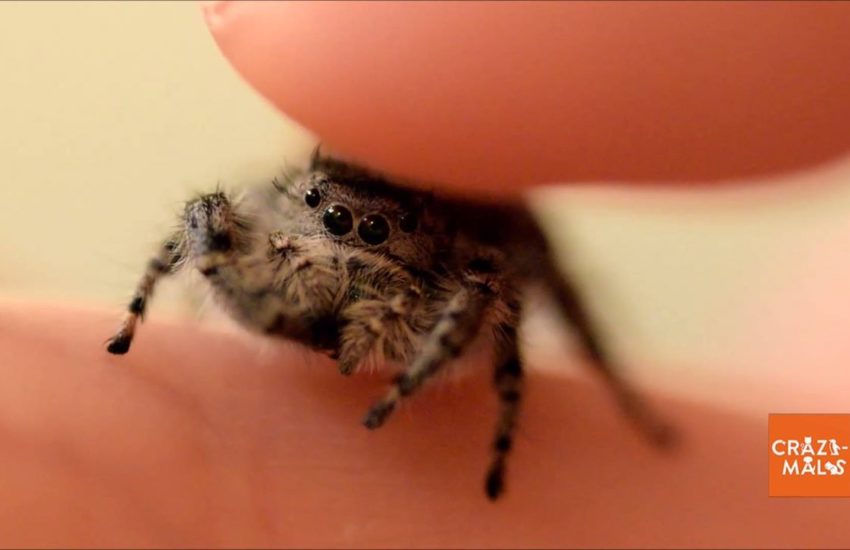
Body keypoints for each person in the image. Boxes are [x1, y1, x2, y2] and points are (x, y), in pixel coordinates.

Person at [2, 2, 849, 547]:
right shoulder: (271, 216)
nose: (354, 244)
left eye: (374, 233)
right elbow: (215, 219)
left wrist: (414, 395)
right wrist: (147, 312)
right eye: (339, 224)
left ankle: (622, 396)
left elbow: (496, 283)